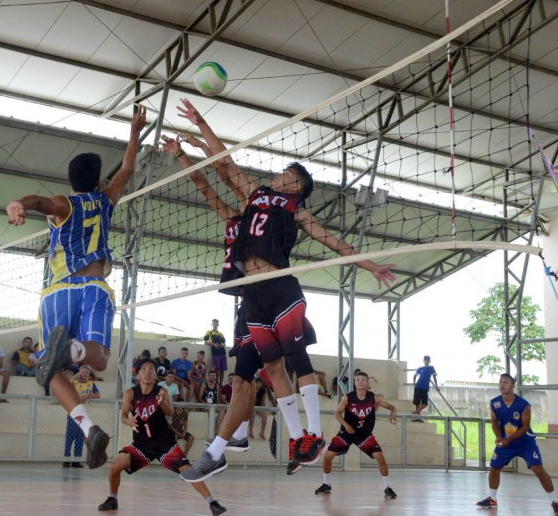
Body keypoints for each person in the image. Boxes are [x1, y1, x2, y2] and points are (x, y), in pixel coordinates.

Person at [177, 98, 396, 480]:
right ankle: (296, 439)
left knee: (296, 359)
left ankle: (312, 432)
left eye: (284, 174)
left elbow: (333, 243)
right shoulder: (256, 194)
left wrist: (371, 265)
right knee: (273, 367)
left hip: (278, 284)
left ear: (295, 183)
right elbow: (224, 164)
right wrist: (200, 125)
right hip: (252, 294)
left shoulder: (295, 208)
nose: (277, 175)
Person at [6, 106, 146, 470]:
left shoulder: (64, 205)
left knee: (50, 371)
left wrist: (20, 204)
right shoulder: (105, 200)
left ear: (70, 183)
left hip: (58, 291)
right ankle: (73, 350)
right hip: (95, 286)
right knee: (99, 358)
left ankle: (89, 428)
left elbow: (40, 202)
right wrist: (135, 131)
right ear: (99, 183)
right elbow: (127, 168)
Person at [162, 131, 262, 474]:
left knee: (251, 377)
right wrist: (181, 154)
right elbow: (206, 185)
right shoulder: (235, 218)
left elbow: (225, 170)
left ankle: (252, 434)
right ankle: (242, 434)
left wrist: (205, 146)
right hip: (244, 300)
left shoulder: (264, 223)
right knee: (239, 379)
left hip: (262, 299)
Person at [97, 359, 227, 515]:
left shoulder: (161, 392)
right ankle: (112, 499)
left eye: (151, 369)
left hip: (164, 443)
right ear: (138, 374)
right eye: (143, 369)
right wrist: (128, 421)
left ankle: (212, 503)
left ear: (155, 374)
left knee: (187, 470)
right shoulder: (130, 393)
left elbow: (170, 412)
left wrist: (162, 403)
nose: (147, 372)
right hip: (141, 445)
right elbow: (123, 415)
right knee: (114, 467)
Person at [476, 373, 558, 514]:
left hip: (525, 442)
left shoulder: (523, 405)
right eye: (500, 382)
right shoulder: (494, 403)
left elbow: (524, 427)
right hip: (505, 443)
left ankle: (555, 501)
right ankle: (492, 499)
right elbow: (494, 422)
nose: (502, 384)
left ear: (512, 386)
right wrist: (499, 436)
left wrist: (508, 440)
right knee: (494, 469)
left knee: (538, 469)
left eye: (505, 382)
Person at [315, 371, 398, 498]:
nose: (360, 381)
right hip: (346, 434)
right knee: (327, 457)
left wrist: (392, 415)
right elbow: (337, 413)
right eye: (357, 379)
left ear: (367, 383)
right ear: (354, 382)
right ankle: (326, 485)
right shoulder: (347, 397)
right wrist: (347, 425)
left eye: (363, 379)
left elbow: (392, 407)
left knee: (380, 457)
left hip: (364, 435)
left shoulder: (374, 397)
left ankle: (387, 487)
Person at [65, 366, 101, 468]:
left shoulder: (91, 384)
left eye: (86, 372)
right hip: (74, 413)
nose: (84, 373)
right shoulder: (75, 383)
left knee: (80, 439)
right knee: (69, 438)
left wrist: (88, 396)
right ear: (79, 372)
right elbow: (67, 383)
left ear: (88, 374)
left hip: (84, 415)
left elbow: (98, 394)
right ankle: (66, 459)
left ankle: (76, 460)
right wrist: (76, 375)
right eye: (82, 371)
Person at [412, 355, 438, 420]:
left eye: (428, 360)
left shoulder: (431, 368)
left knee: (425, 403)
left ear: (429, 361)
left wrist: (436, 386)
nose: (427, 361)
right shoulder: (420, 368)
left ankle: (415, 412)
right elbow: (415, 375)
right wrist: (414, 382)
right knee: (417, 402)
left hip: (425, 388)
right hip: (418, 386)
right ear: (423, 361)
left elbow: (434, 376)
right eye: (425, 360)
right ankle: (417, 417)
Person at [204, 320, 227, 385]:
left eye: (216, 323)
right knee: (217, 368)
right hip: (215, 352)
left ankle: (221, 384)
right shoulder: (209, 332)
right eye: (214, 323)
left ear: (218, 324)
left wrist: (221, 345)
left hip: (222, 352)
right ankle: (216, 383)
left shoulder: (221, 334)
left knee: (222, 369)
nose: (215, 324)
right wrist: (214, 344)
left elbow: (224, 344)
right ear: (212, 324)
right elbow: (205, 342)